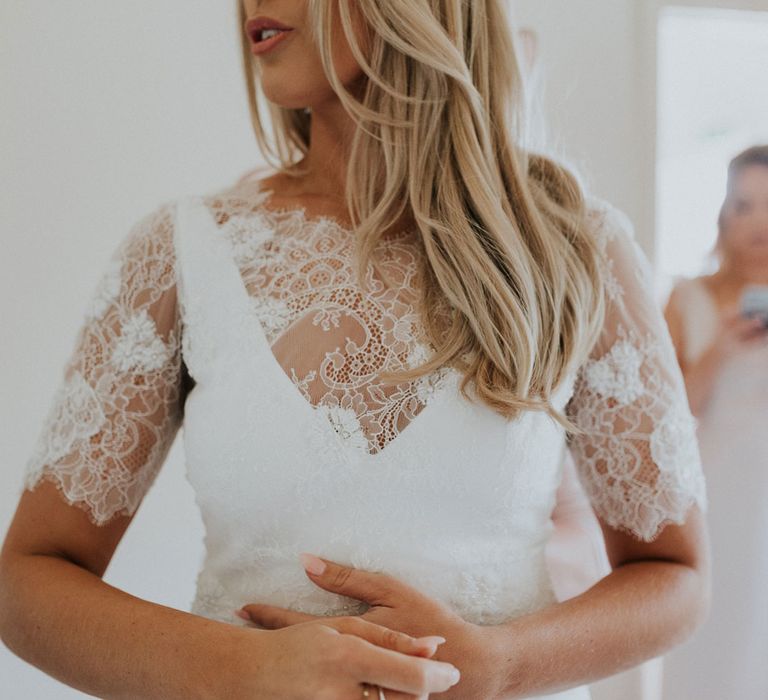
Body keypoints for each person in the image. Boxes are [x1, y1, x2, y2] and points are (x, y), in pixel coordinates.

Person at [0, 1, 710, 698]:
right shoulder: (182, 251)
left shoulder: (575, 244)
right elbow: (27, 581)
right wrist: (239, 669)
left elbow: (675, 575)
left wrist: (502, 664)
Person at [661, 145, 768, 699]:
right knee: (717, 634)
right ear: (724, 214)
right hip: (716, 491)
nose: (759, 222)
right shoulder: (688, 297)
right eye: (745, 204)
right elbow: (664, 414)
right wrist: (722, 348)